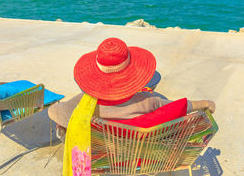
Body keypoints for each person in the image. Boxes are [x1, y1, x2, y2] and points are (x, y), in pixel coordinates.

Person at [48, 37, 215, 137]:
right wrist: (206, 103)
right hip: (136, 151)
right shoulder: (148, 101)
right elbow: (180, 106)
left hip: (101, 152)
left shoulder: (84, 103)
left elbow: (54, 111)